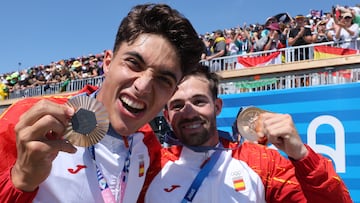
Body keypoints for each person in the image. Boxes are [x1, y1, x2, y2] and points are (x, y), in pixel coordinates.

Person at [0, 3, 204, 203]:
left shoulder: (150, 146)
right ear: (107, 63)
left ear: (172, 93)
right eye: (133, 63)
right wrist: (21, 179)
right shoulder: (30, 118)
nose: (142, 87)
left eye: (163, 80)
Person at [141, 64, 352, 203]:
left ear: (217, 107)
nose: (188, 112)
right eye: (177, 105)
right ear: (166, 116)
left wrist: (302, 156)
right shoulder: (151, 168)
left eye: (199, 101)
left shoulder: (262, 163)